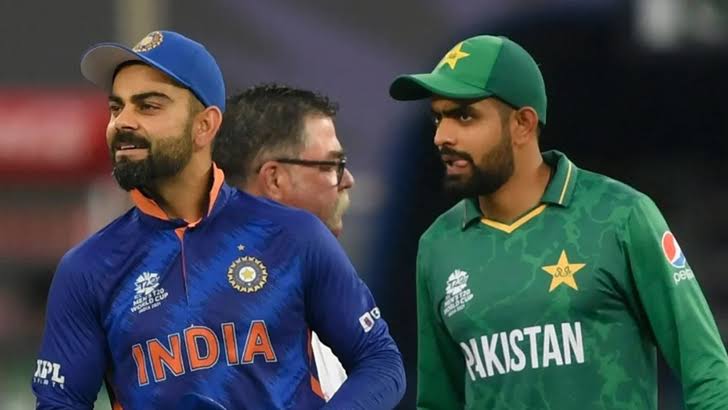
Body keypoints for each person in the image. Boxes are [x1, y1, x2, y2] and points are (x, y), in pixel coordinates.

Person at [32, 30, 405, 410]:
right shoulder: (88, 269)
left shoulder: (293, 235)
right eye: (117, 107)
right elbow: (60, 403)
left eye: (148, 106)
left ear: (205, 126)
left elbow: (381, 362)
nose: (122, 122)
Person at [389, 34, 728, 409]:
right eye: (438, 118)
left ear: (523, 123)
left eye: (464, 116)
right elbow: (438, 403)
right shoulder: (438, 245)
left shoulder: (620, 215)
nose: (442, 136)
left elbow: (709, 374)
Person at [213, 84, 353, 400]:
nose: (347, 180)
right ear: (274, 179)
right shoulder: (220, 320)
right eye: (332, 165)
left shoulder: (317, 297)